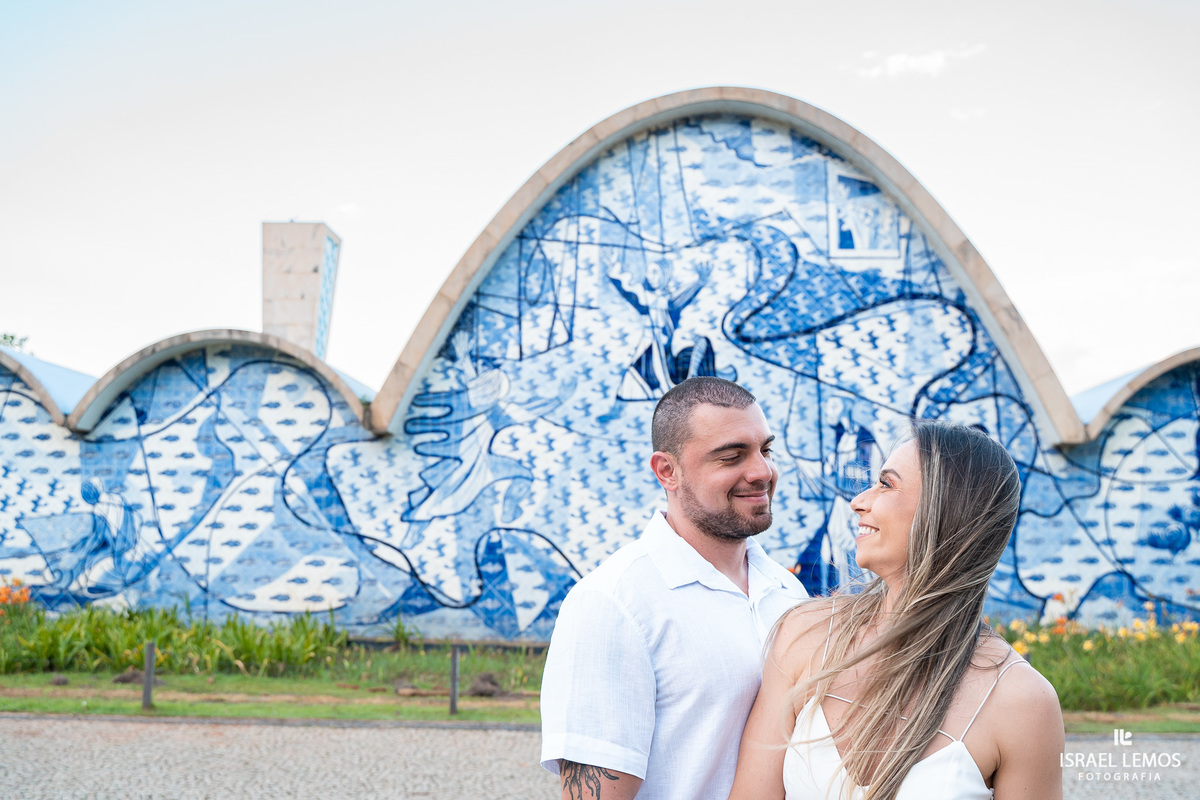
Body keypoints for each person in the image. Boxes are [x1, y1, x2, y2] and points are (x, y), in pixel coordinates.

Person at [729, 422, 1065, 800]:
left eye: (886, 484)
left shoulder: (1022, 701)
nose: (858, 501)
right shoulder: (805, 635)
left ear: (946, 511)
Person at [540, 377, 809, 799]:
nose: (762, 472)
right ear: (668, 471)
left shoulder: (788, 592)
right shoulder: (613, 603)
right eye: (731, 456)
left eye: (765, 450)